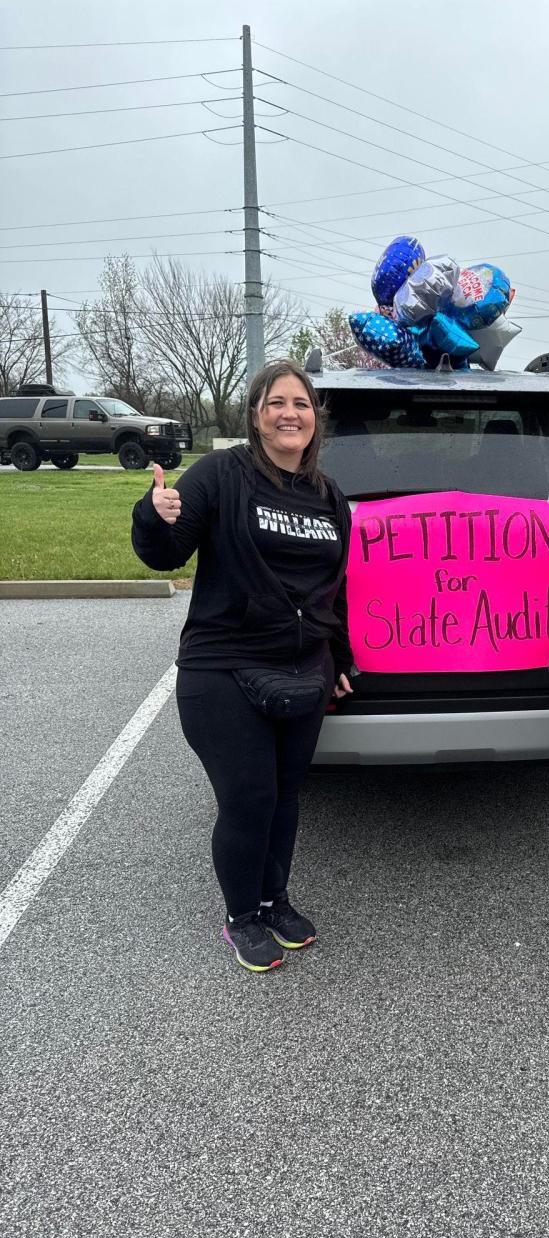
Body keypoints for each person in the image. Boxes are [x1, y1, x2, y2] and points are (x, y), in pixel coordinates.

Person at [132, 359, 354, 973]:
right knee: (249, 798)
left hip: (303, 671)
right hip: (223, 669)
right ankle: (241, 917)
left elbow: (336, 589)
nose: (290, 413)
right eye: (276, 402)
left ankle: (273, 898)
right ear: (256, 416)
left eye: (302, 404)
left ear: (316, 419)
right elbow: (164, 551)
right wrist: (154, 515)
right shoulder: (221, 476)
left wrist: (340, 656)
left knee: (285, 798)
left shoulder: (328, 496)